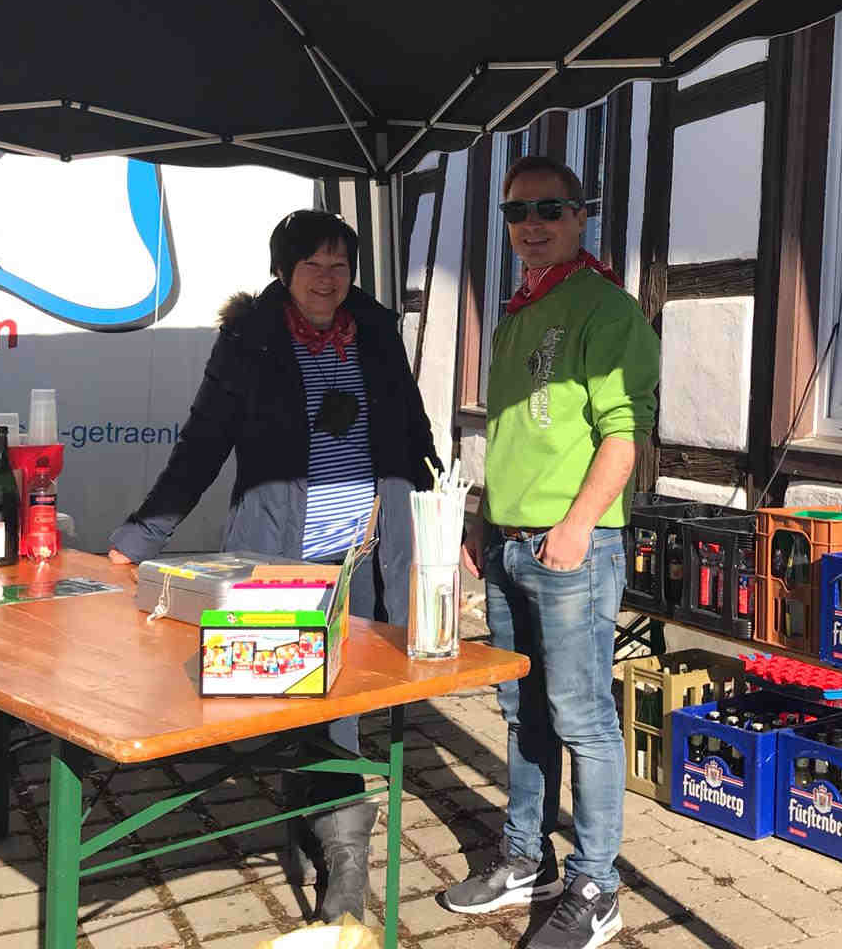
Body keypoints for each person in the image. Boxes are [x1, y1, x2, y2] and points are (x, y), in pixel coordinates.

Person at [107, 209, 439, 922]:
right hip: (280, 560)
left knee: (343, 705)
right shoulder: (250, 340)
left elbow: (412, 427)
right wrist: (140, 537)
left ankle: (344, 866)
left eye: (340, 265)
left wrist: (440, 519)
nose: (327, 279)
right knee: (299, 703)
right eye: (312, 265)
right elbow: (202, 444)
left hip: (367, 556)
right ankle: (326, 844)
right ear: (283, 271)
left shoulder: (376, 330)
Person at [439, 158, 658, 949]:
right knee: (520, 711)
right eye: (517, 212)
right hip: (508, 544)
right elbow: (512, 436)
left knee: (582, 718)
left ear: (580, 215)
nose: (532, 224)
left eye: (549, 209)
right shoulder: (517, 312)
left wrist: (575, 526)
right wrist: (481, 518)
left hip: (573, 548)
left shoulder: (606, 308)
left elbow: (624, 437)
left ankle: (596, 886)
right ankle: (525, 860)